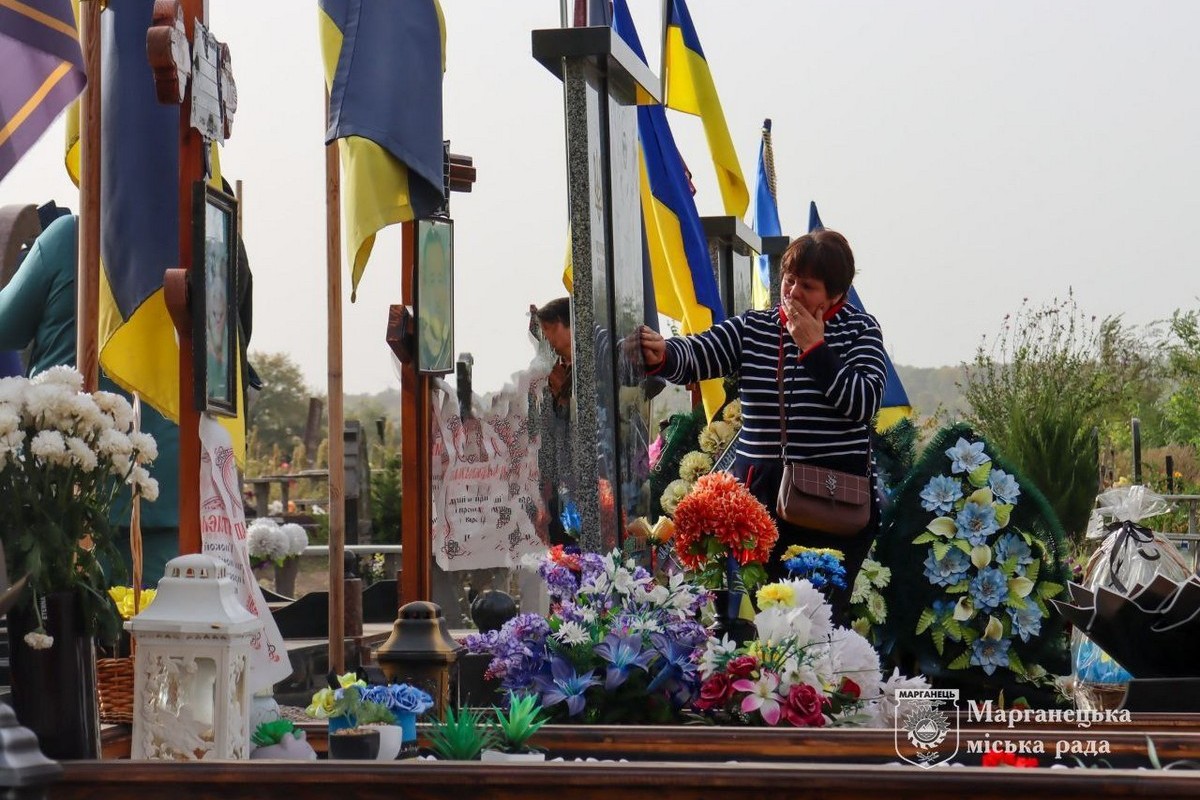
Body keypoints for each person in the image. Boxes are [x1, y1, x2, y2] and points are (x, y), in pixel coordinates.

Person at [638, 229, 886, 620]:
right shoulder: (756, 327)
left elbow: (863, 402)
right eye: (789, 280)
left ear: (835, 295)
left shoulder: (861, 330)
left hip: (834, 507)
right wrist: (663, 354)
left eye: (807, 286)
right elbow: (700, 352)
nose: (792, 293)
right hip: (764, 505)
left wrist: (814, 348)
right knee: (773, 620)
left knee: (819, 623)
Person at [0, 214, 180, 585]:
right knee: (163, 631)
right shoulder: (199, 239)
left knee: (66, 631)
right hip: (170, 485)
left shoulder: (71, 236)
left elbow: (6, 325)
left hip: (68, 486)